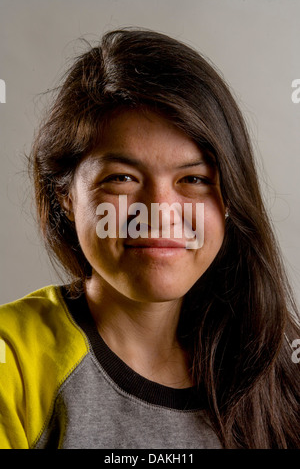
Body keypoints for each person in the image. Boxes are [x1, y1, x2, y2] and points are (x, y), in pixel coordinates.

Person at [0, 28, 299, 450]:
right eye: (122, 178)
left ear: (231, 201)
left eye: (194, 179)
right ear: (65, 196)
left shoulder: (280, 364)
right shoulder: (10, 358)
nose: (159, 212)